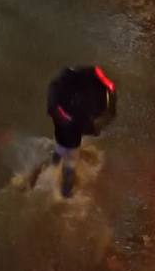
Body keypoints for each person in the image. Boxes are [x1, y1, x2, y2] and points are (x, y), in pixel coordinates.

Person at [46, 65, 117, 197]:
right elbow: (97, 72)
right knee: (70, 163)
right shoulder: (85, 94)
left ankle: (54, 163)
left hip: (62, 131)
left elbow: (53, 104)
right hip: (72, 137)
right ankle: (66, 194)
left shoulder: (59, 90)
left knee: (60, 148)